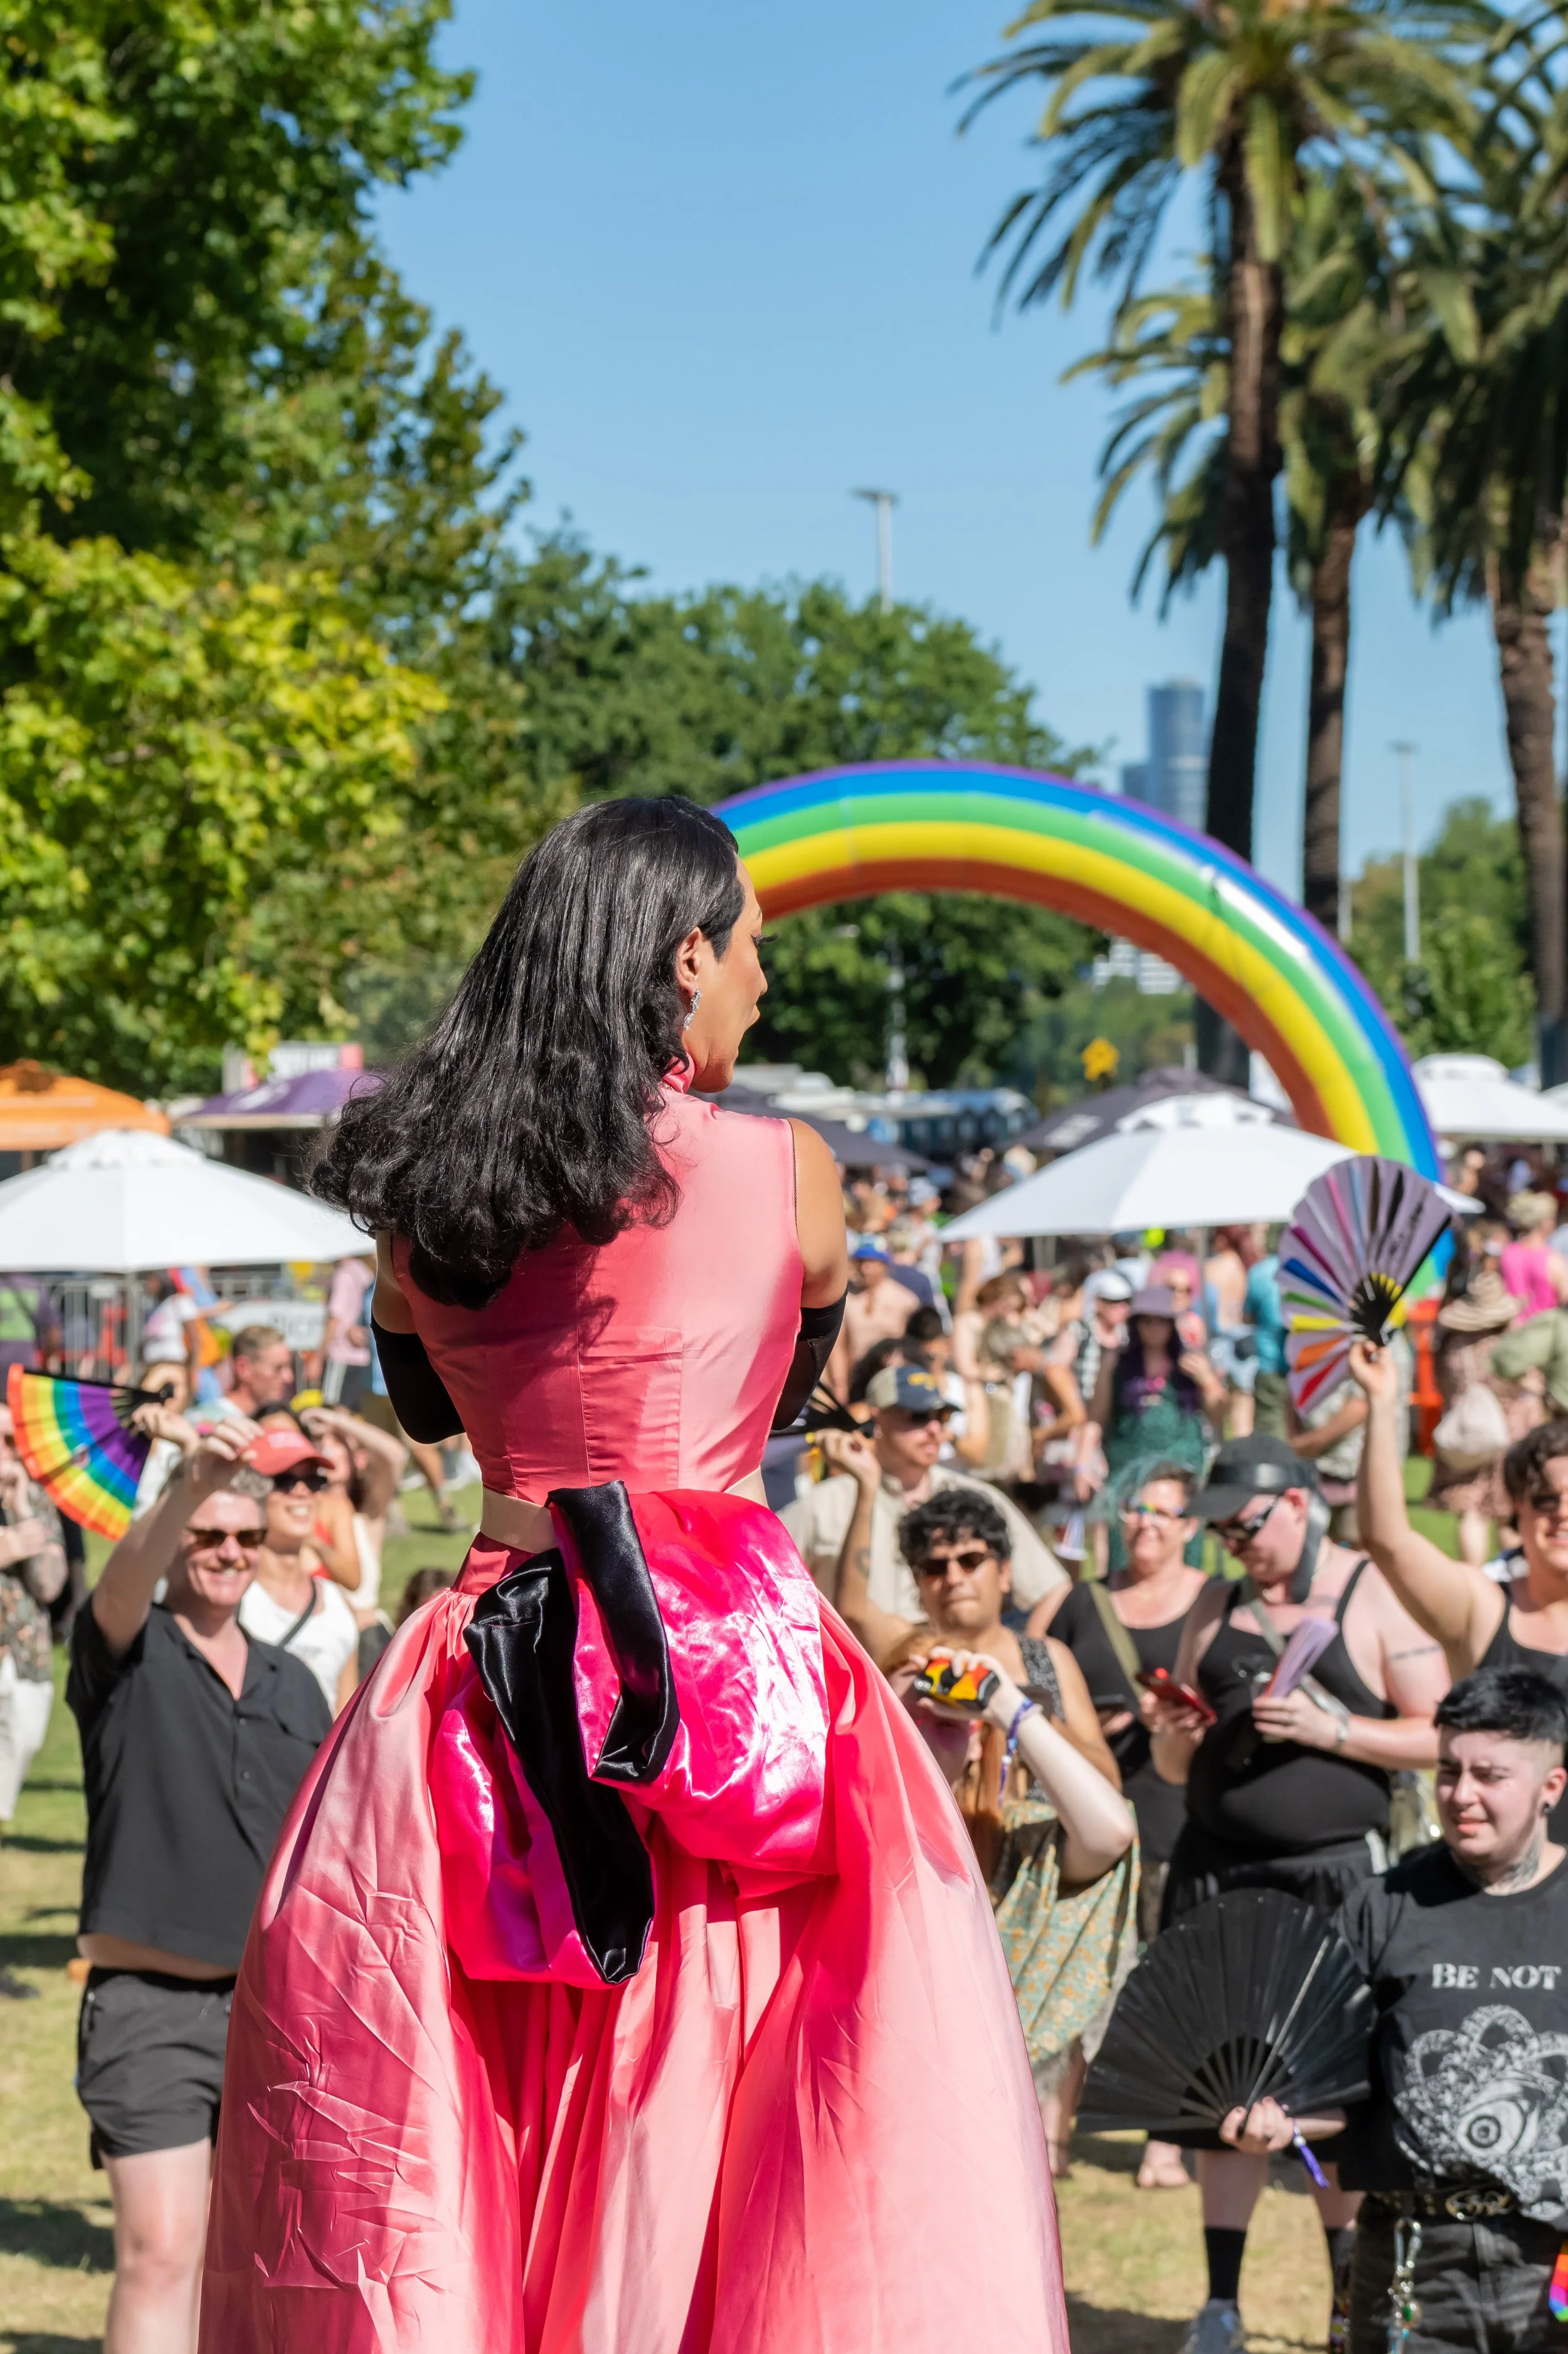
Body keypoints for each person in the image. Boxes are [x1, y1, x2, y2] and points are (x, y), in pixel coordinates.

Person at [203, 796, 1068, 2350]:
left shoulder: (424, 1199)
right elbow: (783, 1377)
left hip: (469, 1696)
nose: (764, 987)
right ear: (685, 956)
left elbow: (424, 1404)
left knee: (451, 2114)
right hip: (723, 1698)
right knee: (742, 2112)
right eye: (752, 954)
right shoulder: (788, 1173)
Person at [1147, 1432, 1450, 2354]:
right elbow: (1173, 1763)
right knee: (1222, 2094)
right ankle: (1221, 2304)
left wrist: (1333, 1728)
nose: (1231, 1547)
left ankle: (1347, 2305)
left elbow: (1439, 1732)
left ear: (1296, 1505)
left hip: (1334, 1879)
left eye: (1242, 1528)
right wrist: (1171, 1732)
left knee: (1331, 2094)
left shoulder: (1372, 1590)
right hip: (1217, 1872)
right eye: (1221, 1533)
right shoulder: (1216, 1601)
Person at [67, 1415, 331, 2354]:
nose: (227, 1552)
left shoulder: (295, 1683)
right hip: (149, 2010)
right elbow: (121, 1585)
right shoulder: (127, 1651)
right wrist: (191, 1479)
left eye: (246, 1537)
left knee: (250, 2261)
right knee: (161, 2251)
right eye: (208, 1534)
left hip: (275, 2013)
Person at [1221, 1668, 1568, 2354]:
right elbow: (1338, 2083)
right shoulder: (1384, 1904)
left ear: (1549, 1788)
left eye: (1489, 1775)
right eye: (1446, 1770)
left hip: (1555, 2265)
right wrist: (1278, 2120)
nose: (1460, 1794)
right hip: (1411, 2262)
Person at [891, 1488, 1136, 2177]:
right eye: (934, 1565)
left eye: (970, 1558)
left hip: (1030, 1871)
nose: (953, 1577)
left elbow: (1104, 1782)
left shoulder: (1045, 1658)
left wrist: (1013, 1712)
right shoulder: (907, 1661)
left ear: (1003, 1569)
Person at [1036, 1457, 1211, 2188]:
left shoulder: (1212, 1601)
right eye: (1135, 1508)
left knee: (1168, 1974)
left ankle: (1165, 2140)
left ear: (1191, 1527)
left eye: (1162, 1512)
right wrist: (1084, 1726)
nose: (1144, 1522)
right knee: (1075, 1967)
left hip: (1175, 1808)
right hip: (1085, 1814)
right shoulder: (1078, 1599)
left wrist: (1175, 1715)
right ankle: (1051, 2134)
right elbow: (1028, 1674)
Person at [1353, 1343, 1568, 1838]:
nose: (1560, 1513)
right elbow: (1387, 1539)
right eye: (1546, 1499)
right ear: (1518, 1505)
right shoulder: (1484, 1610)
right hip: (1504, 1883)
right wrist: (1383, 1403)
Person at [783, 1362, 1066, 1664]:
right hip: (864, 1677)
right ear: (876, 1418)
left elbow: (1053, 1588)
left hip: (960, 1677)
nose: (934, 1429)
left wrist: (1025, 1665)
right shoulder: (827, 1502)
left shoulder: (975, 1500)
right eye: (917, 1417)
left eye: (941, 1417)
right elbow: (766, 1581)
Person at [1088, 1284, 1226, 1570]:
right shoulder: (1116, 1362)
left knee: (1183, 1550)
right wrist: (1083, 1461)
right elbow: (1097, 1416)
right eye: (1146, 1321)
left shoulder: (1189, 1361)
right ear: (1135, 1324)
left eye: (1161, 1321)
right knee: (1127, 1550)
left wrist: (1208, 1380)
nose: (1154, 1328)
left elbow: (1219, 1413)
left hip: (1181, 1467)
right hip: (1130, 1469)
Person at [0, 1395, 65, 1994]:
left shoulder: (33, 1502)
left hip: (25, 1671)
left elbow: (50, 1583)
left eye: (9, 1443)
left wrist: (20, 1503)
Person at [236, 1429, 360, 1714]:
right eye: (285, 1481)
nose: (303, 1491)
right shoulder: (230, 1597)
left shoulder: (336, 1606)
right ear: (251, 1491)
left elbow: (345, 1721)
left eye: (314, 1481)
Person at [1427, 1247, 1535, 1566]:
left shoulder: (1450, 1344)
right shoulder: (1510, 1341)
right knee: (1506, 1514)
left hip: (1465, 1432)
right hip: (1507, 1433)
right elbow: (1529, 1383)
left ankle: (1474, 1581)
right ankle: (1514, 1578)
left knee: (1471, 1512)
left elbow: (1442, 1383)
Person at [824, 1235, 916, 1395]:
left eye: (872, 1262)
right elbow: (838, 1346)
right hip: (855, 1380)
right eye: (862, 1262)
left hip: (890, 1380)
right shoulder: (845, 1298)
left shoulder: (905, 1300)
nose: (866, 1269)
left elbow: (911, 1346)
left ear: (884, 1264)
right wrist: (840, 1384)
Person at [320, 1252, 377, 1409]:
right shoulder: (365, 1273)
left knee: (332, 1411)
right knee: (353, 1413)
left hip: (341, 1354)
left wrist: (319, 1355)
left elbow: (335, 1317)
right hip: (362, 1356)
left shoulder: (344, 1274)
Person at [1502, 1191, 1567, 1319]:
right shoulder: (1553, 1260)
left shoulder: (1509, 1252)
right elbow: (1565, 1296)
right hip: (1542, 1331)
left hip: (1511, 1327)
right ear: (1546, 1223)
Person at [217, 1324, 295, 1422]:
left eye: (289, 1367)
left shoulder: (284, 1421)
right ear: (243, 1368)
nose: (288, 1378)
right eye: (277, 1368)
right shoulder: (209, 1423)